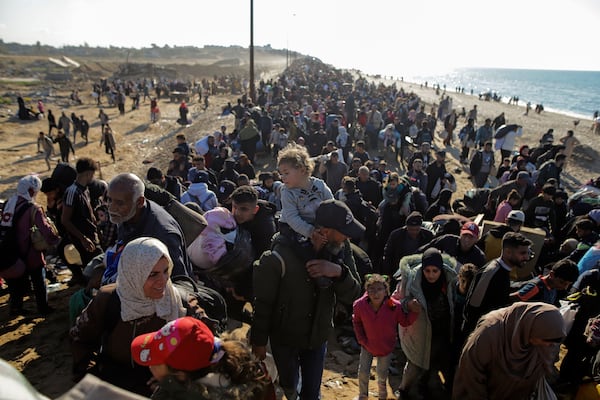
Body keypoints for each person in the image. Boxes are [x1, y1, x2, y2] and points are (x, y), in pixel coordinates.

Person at [251, 199, 363, 400]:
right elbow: (263, 302)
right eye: (343, 231)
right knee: (289, 386)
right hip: (284, 338)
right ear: (326, 231)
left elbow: (354, 294)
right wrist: (258, 342)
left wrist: (338, 272)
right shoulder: (281, 254)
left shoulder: (341, 251)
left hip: (317, 337)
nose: (347, 236)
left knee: (311, 393)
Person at [70, 237, 187, 396]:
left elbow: (201, 348)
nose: (163, 281)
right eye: (152, 274)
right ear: (133, 274)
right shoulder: (109, 300)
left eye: (166, 271)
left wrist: (174, 379)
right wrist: (92, 381)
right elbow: (81, 339)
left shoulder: (178, 303)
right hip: (115, 382)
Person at [131, 316, 274, 400]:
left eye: (155, 361)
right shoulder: (248, 367)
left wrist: (168, 386)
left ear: (180, 374)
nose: (150, 365)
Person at [453, 302, 565, 400]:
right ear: (529, 329)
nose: (548, 346)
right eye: (546, 341)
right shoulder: (490, 332)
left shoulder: (544, 337)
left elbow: (545, 367)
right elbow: (470, 371)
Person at [102, 173, 194, 284]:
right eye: (109, 200)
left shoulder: (162, 234)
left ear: (140, 202)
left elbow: (179, 281)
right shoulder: (127, 214)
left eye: (119, 203)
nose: (111, 208)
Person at [393, 248, 457, 400]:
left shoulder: (450, 278)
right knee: (414, 365)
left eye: (435, 271)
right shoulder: (411, 279)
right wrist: (408, 304)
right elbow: (395, 301)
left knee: (434, 363)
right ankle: (404, 390)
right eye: (427, 270)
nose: (431, 275)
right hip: (418, 331)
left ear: (441, 269)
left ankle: (425, 388)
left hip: (441, 330)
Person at [1, 175, 60, 316]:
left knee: (15, 284)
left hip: (10, 252)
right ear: (32, 191)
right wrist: (56, 241)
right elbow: (45, 230)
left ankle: (15, 308)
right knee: (39, 281)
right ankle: (43, 308)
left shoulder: (10, 203)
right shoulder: (33, 209)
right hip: (30, 253)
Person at [353, 273, 418, 400]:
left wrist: (414, 312)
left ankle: (382, 395)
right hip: (367, 345)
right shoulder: (360, 305)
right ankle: (363, 395)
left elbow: (404, 322)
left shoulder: (394, 307)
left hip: (385, 348)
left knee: (382, 375)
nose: (375, 293)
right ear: (367, 291)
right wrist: (361, 339)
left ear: (386, 291)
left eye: (379, 289)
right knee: (363, 372)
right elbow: (356, 321)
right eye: (371, 289)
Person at [462, 232, 533, 336]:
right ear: (508, 252)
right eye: (522, 253)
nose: (527, 257)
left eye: (528, 253)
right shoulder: (492, 271)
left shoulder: (502, 271)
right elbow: (473, 307)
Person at [277, 143, 333, 247]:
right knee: (304, 249)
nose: (282, 177)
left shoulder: (319, 185)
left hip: (316, 222)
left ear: (302, 170)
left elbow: (331, 203)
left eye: (286, 173)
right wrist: (311, 232)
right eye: (281, 174)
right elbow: (292, 217)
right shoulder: (287, 192)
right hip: (292, 226)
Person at [62, 158, 102, 283]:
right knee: (93, 269)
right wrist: (83, 238)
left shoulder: (85, 189)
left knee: (97, 266)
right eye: (92, 174)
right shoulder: (72, 192)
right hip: (83, 238)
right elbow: (65, 220)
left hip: (91, 235)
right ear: (88, 173)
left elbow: (89, 214)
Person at [381, 211, 434, 278]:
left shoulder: (428, 236)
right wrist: (387, 274)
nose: (414, 232)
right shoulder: (396, 235)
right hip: (399, 270)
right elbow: (388, 254)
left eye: (417, 229)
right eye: (411, 229)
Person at [510, 258, 578, 305]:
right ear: (552, 274)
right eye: (562, 282)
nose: (564, 287)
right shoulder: (535, 288)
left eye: (568, 284)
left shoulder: (553, 288)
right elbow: (512, 299)